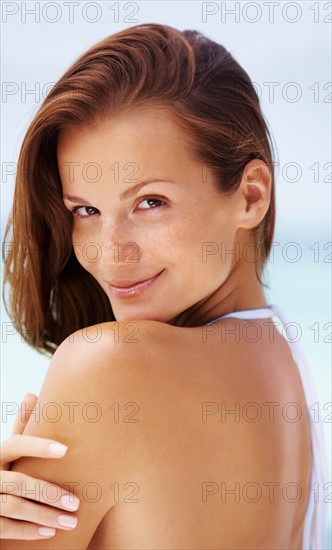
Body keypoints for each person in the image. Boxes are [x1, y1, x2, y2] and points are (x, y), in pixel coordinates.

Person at [0, 23, 328, 549]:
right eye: (86, 210)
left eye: (149, 203)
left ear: (250, 195)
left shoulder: (108, 369)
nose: (111, 252)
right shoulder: (285, 362)